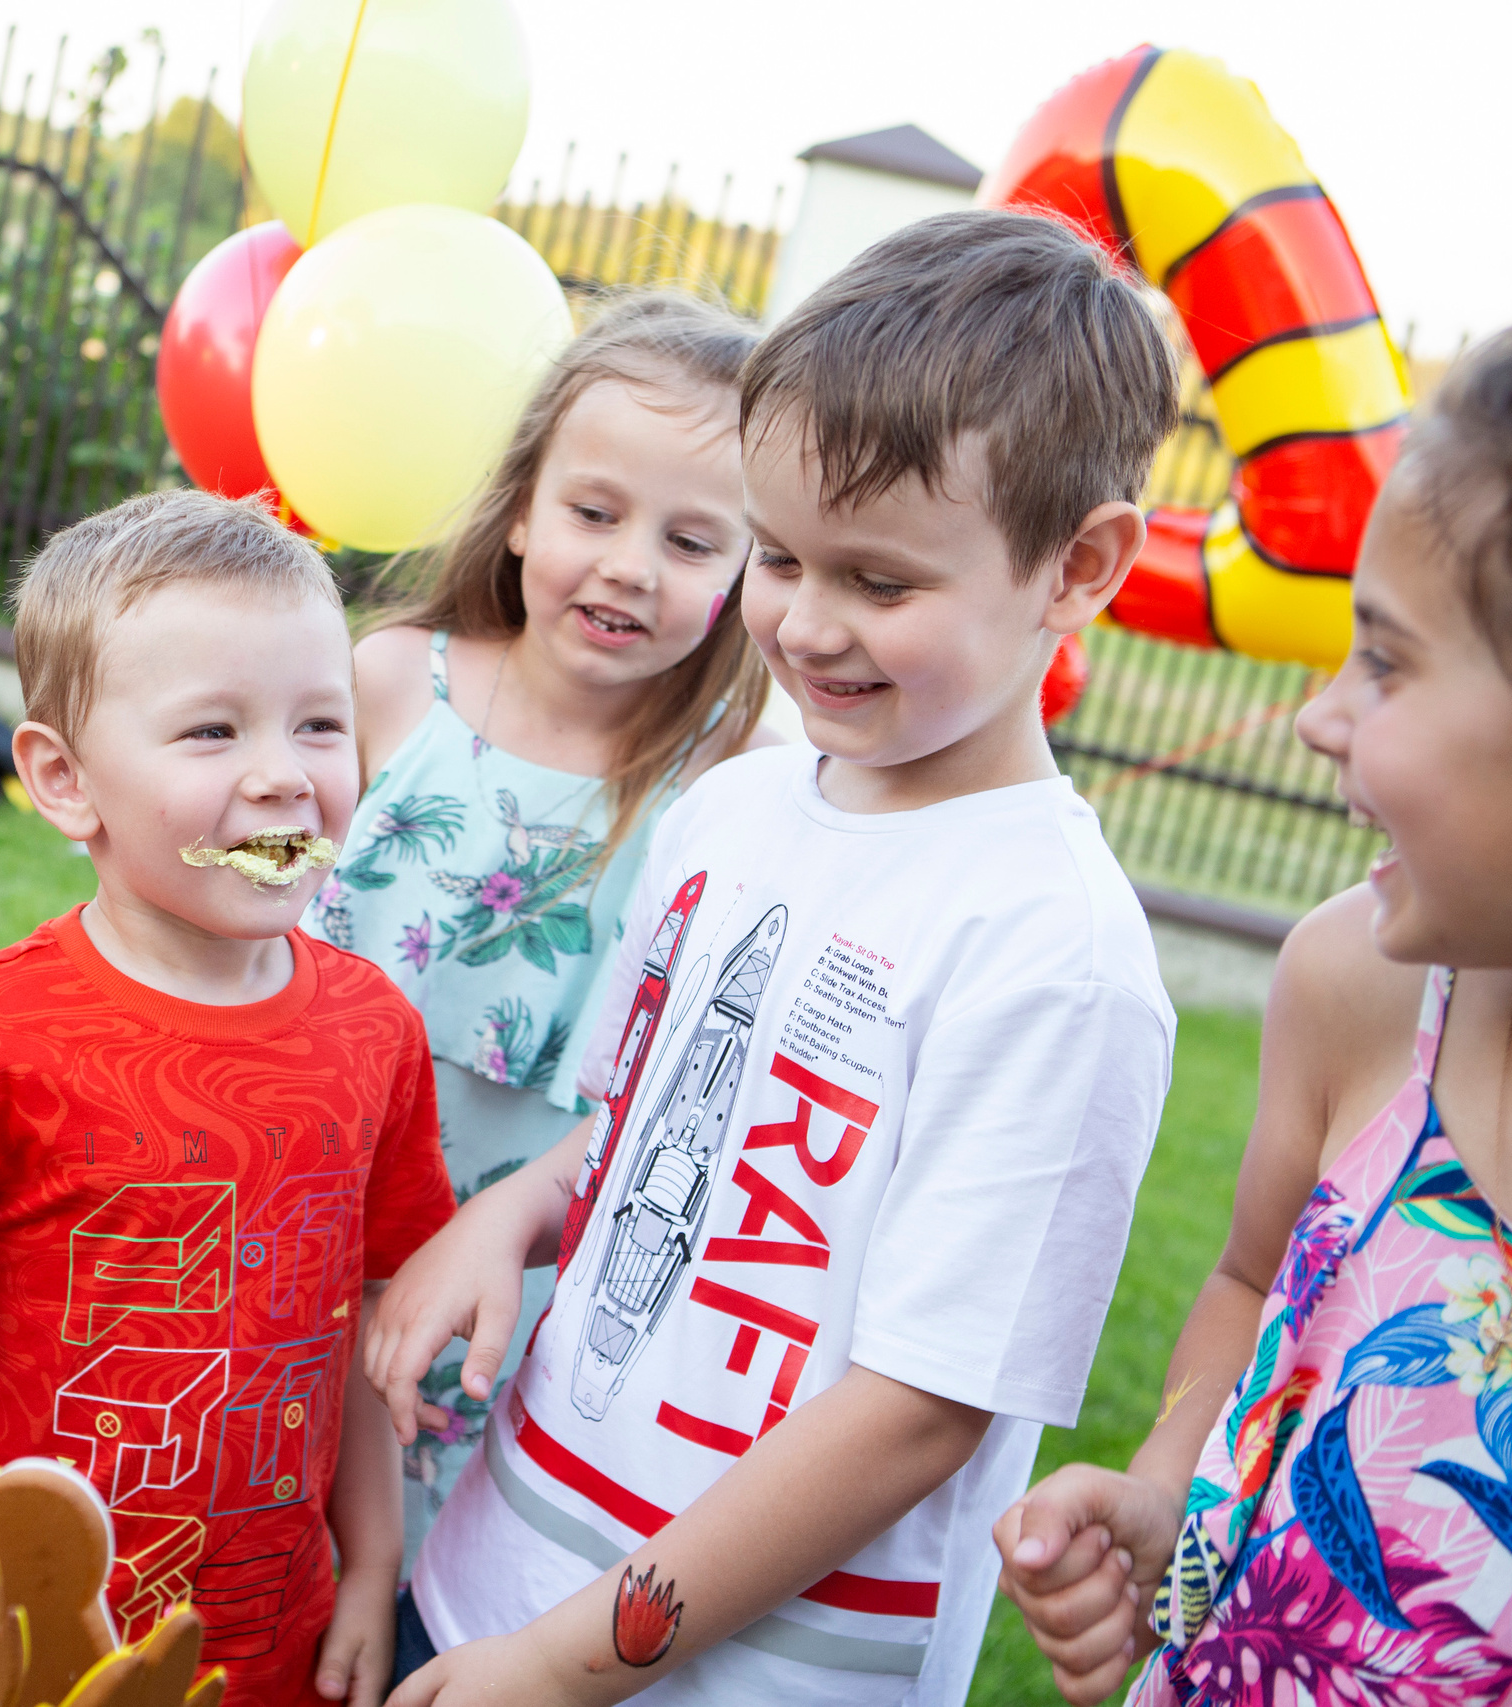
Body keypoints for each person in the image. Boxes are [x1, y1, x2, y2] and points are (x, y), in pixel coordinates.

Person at [363, 210, 1183, 1705]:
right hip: (482, 1581)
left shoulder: (1055, 955)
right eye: (783, 556)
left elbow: (918, 1411)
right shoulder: (731, 809)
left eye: (879, 581)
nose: (805, 624)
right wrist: (512, 1218)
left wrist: (560, 1664)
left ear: (1079, 566)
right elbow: (620, 1139)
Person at [0, 489, 459, 1707]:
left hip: (276, 1646)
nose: (282, 778)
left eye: (319, 724)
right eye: (212, 733)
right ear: (64, 781)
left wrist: (373, 1563)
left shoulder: (377, 1032)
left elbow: (367, 1321)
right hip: (1, 1643)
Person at [993, 330, 1512, 1704]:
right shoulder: (1358, 982)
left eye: (1388, 665)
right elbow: (1250, 1283)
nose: (1318, 715)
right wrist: (1169, 1478)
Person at [306, 292, 772, 1557]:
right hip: (295, 1202)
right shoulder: (394, 683)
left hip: (508, 1279)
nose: (629, 564)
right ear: (521, 509)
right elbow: (250, 902)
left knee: (396, 1573)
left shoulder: (727, 793)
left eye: (691, 541)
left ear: (749, 570)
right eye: (595, 513)